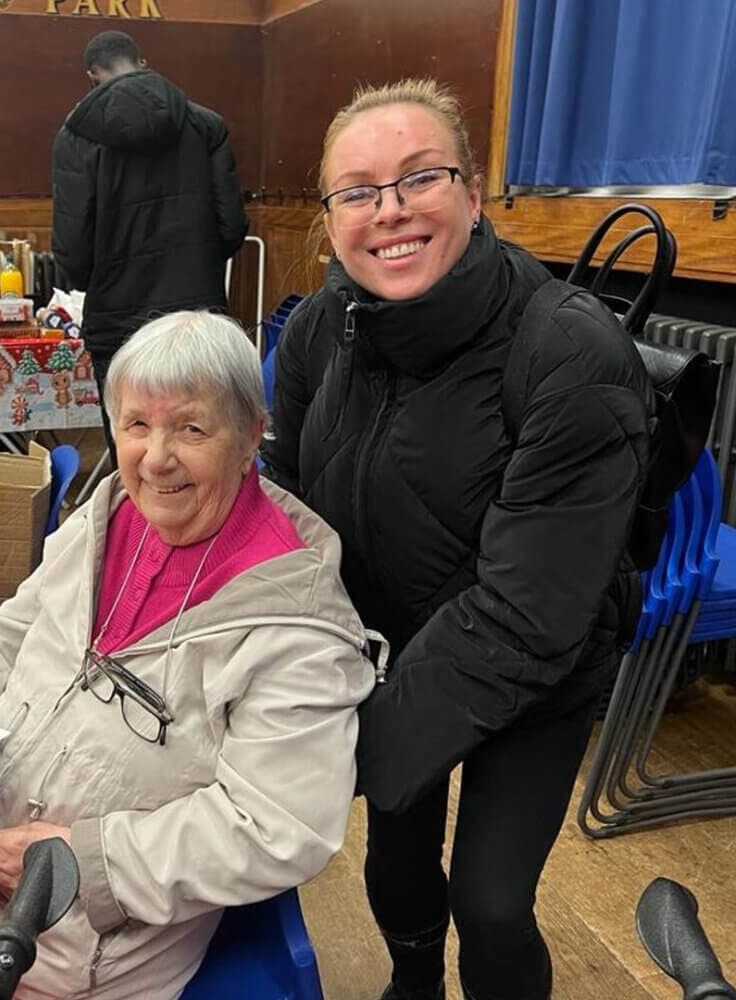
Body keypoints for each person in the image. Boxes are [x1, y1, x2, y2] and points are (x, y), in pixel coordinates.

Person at [262, 79, 652, 1000]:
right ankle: (411, 983)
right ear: (331, 218)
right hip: (388, 640)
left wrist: (344, 757)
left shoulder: (569, 354)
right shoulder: (324, 328)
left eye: (419, 178)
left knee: (490, 900)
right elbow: (286, 491)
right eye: (357, 191)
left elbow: (529, 612)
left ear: (473, 195)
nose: (389, 211)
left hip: (539, 658)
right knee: (396, 856)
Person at [0, 311, 374, 1000]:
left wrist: (80, 862)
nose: (155, 457)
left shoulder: (297, 628)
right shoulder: (108, 514)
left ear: (250, 438)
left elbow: (277, 826)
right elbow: (10, 634)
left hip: (60, 940)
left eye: (191, 427)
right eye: (136, 424)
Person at [51, 30, 249, 465]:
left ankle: (140, 535)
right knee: (204, 445)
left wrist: (99, 279)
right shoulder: (206, 125)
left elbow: (73, 252)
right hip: (198, 315)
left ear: (93, 75)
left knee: (135, 454)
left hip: (118, 322)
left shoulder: (76, 138)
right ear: (142, 61)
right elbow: (232, 227)